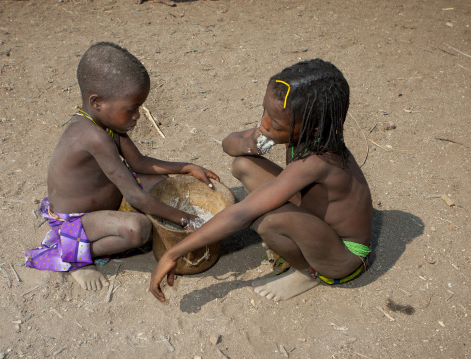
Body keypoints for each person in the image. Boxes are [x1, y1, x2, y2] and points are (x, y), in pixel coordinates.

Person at [150, 59, 373, 302]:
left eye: (274, 123)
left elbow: (241, 214)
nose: (263, 123)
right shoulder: (303, 130)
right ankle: (296, 240)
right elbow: (230, 145)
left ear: (312, 128)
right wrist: (251, 143)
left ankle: (307, 273)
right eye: (264, 111)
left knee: (265, 219)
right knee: (244, 164)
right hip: (317, 221)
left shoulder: (318, 161)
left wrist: (174, 252)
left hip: (344, 256)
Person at [25, 42, 219, 291]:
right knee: (138, 229)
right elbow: (136, 197)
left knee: (162, 184)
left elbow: (140, 163)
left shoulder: (109, 125)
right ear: (97, 102)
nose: (137, 115)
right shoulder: (93, 136)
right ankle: (76, 257)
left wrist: (187, 167)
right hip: (76, 222)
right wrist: (186, 219)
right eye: (131, 109)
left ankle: (87, 246)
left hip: (108, 204)